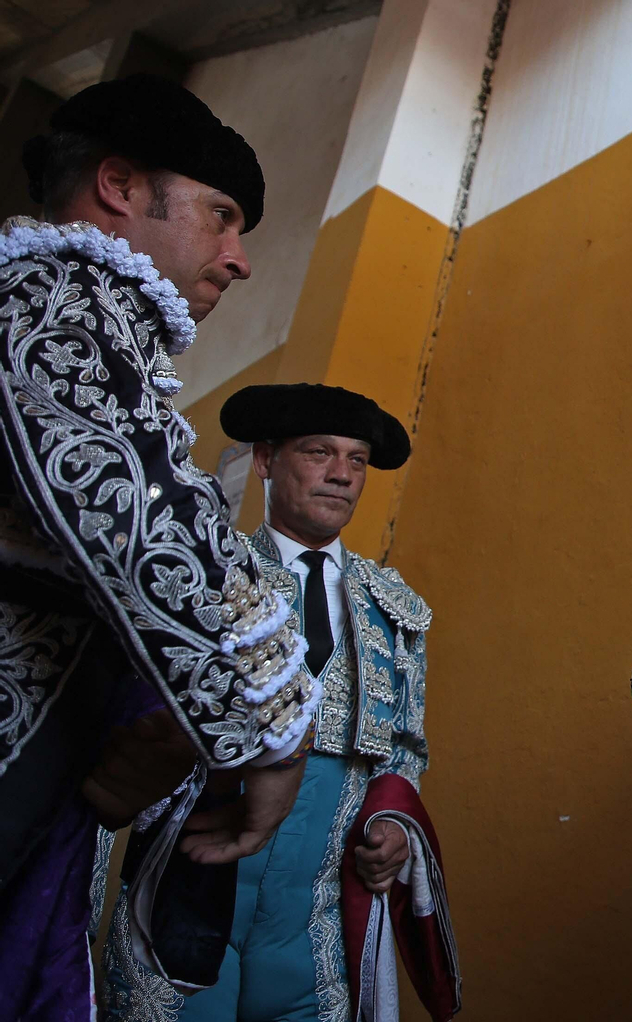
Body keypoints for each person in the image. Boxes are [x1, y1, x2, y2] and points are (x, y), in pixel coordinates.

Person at [0, 74, 319, 1021]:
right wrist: (279, 727)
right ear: (118, 187)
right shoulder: (51, 298)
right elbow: (143, 519)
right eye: (220, 218)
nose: (238, 260)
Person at [106, 383, 459, 1022]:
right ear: (266, 460)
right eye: (320, 453)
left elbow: (405, 750)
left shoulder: (392, 604)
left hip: (320, 901)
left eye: (356, 460)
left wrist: (394, 832)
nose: (342, 475)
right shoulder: (205, 573)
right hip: (193, 878)